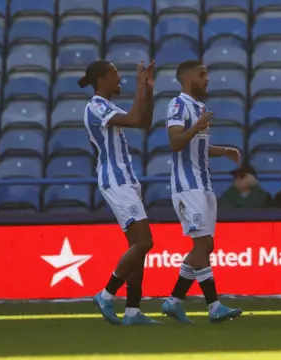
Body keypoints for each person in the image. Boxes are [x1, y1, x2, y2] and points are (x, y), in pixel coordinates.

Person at [159, 60, 243, 323]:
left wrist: (223, 150)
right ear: (187, 78)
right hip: (187, 184)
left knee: (207, 244)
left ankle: (174, 301)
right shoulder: (178, 104)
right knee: (201, 244)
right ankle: (212, 305)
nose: (207, 79)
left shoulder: (201, 107)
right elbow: (175, 142)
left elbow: (199, 146)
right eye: (202, 74)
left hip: (204, 183)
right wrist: (195, 127)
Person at [82, 59, 161, 325]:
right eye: (115, 74)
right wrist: (141, 85)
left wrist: (147, 89)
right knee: (144, 242)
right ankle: (106, 294)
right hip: (115, 180)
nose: (119, 78)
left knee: (137, 248)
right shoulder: (96, 106)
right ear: (102, 78)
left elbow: (144, 121)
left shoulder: (108, 106)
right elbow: (137, 118)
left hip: (126, 179)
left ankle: (132, 310)